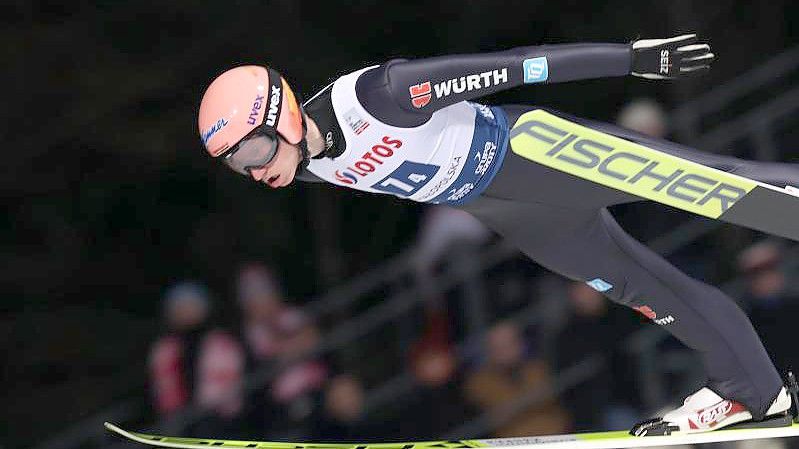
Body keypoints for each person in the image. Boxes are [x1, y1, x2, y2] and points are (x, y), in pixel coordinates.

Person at [197, 34, 796, 435]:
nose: (253, 170)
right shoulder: (310, 166)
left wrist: (631, 58)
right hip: (508, 211)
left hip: (533, 153)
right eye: (235, 165)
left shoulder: (380, 96)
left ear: (281, 114)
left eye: (252, 150)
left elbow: (520, 66)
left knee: (712, 187)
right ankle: (754, 389)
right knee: (644, 291)